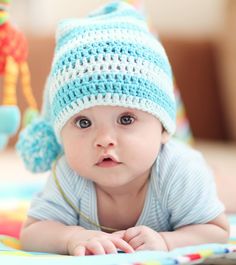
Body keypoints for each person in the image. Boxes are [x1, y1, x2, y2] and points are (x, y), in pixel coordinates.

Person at [17, 1, 229, 256]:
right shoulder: (69, 176)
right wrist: (72, 237)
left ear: (163, 128)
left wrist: (167, 241)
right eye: (83, 122)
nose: (104, 140)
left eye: (126, 119)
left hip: (197, 179)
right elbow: (32, 232)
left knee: (220, 188)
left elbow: (216, 229)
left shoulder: (180, 171)